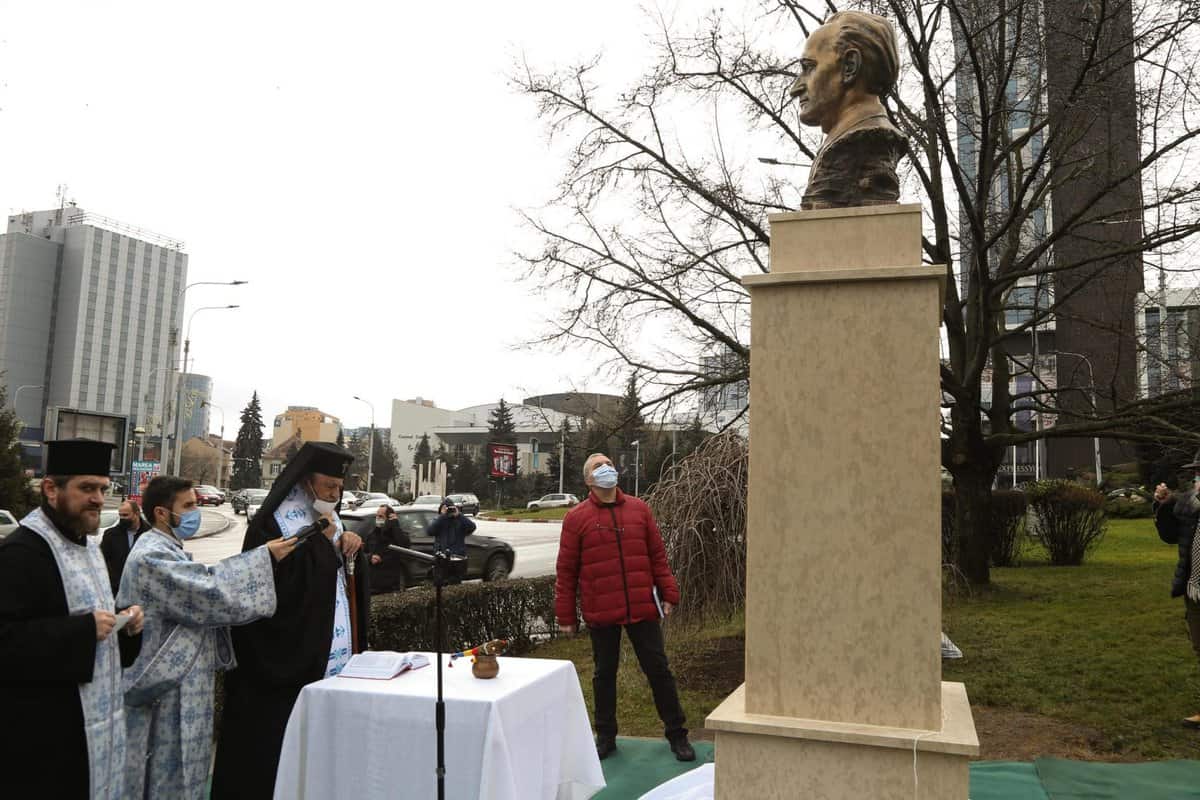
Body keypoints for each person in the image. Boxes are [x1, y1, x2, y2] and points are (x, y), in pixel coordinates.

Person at [119, 476, 296, 799]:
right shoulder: (151, 556)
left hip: (183, 683)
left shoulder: (166, 549)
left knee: (188, 772)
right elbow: (208, 592)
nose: (195, 512)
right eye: (188, 506)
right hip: (165, 690)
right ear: (161, 512)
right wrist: (264, 558)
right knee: (166, 775)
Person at [212, 441, 369, 799]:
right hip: (284, 662)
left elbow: (342, 575)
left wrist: (351, 543)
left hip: (329, 659)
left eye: (339, 488)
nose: (335, 494)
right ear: (305, 482)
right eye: (328, 486)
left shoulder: (332, 518)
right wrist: (323, 550)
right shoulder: (274, 521)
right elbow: (269, 581)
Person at [0, 439, 145, 799]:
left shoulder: (89, 548)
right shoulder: (22, 553)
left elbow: (98, 625)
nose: (98, 498)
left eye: (103, 489)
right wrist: (82, 631)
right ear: (51, 489)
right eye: (86, 488)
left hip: (96, 729)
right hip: (44, 738)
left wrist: (125, 625)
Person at [555, 453, 694, 762]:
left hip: (642, 606)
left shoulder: (639, 510)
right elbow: (566, 570)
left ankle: (677, 734)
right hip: (601, 610)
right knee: (604, 674)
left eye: (608, 464)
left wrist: (669, 592)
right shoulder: (576, 518)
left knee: (658, 670)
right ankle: (605, 736)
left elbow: (658, 555)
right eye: (597, 467)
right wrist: (565, 615)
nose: (606, 469)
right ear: (589, 480)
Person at [788, 10, 907, 209]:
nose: (796, 88)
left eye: (809, 68)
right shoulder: (840, 147)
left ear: (850, 66)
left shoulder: (866, 144)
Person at [1153, 450, 1200, 729]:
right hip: (1194, 588)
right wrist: (1162, 505)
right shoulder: (1189, 506)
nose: (1199, 478)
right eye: (1198, 473)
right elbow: (1170, 535)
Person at [100, 499, 151, 597]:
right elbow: (103, 561)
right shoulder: (110, 535)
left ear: (136, 514)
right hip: (116, 590)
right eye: (120, 515)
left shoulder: (150, 534)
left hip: (142, 590)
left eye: (126, 515)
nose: (122, 518)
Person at [428, 497, 475, 583]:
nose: (449, 511)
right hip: (442, 560)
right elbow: (430, 531)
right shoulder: (439, 521)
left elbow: (472, 527)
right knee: (440, 586)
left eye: (451, 509)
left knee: (455, 586)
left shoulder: (460, 521)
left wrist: (459, 515)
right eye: (447, 509)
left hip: (457, 561)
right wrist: (442, 516)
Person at [369, 504, 412, 593]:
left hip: (390, 585)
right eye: (376, 516)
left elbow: (404, 545)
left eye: (380, 516)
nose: (377, 518)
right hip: (372, 584)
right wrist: (370, 557)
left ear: (389, 518)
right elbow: (364, 552)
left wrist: (395, 525)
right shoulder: (373, 534)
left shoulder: (396, 535)